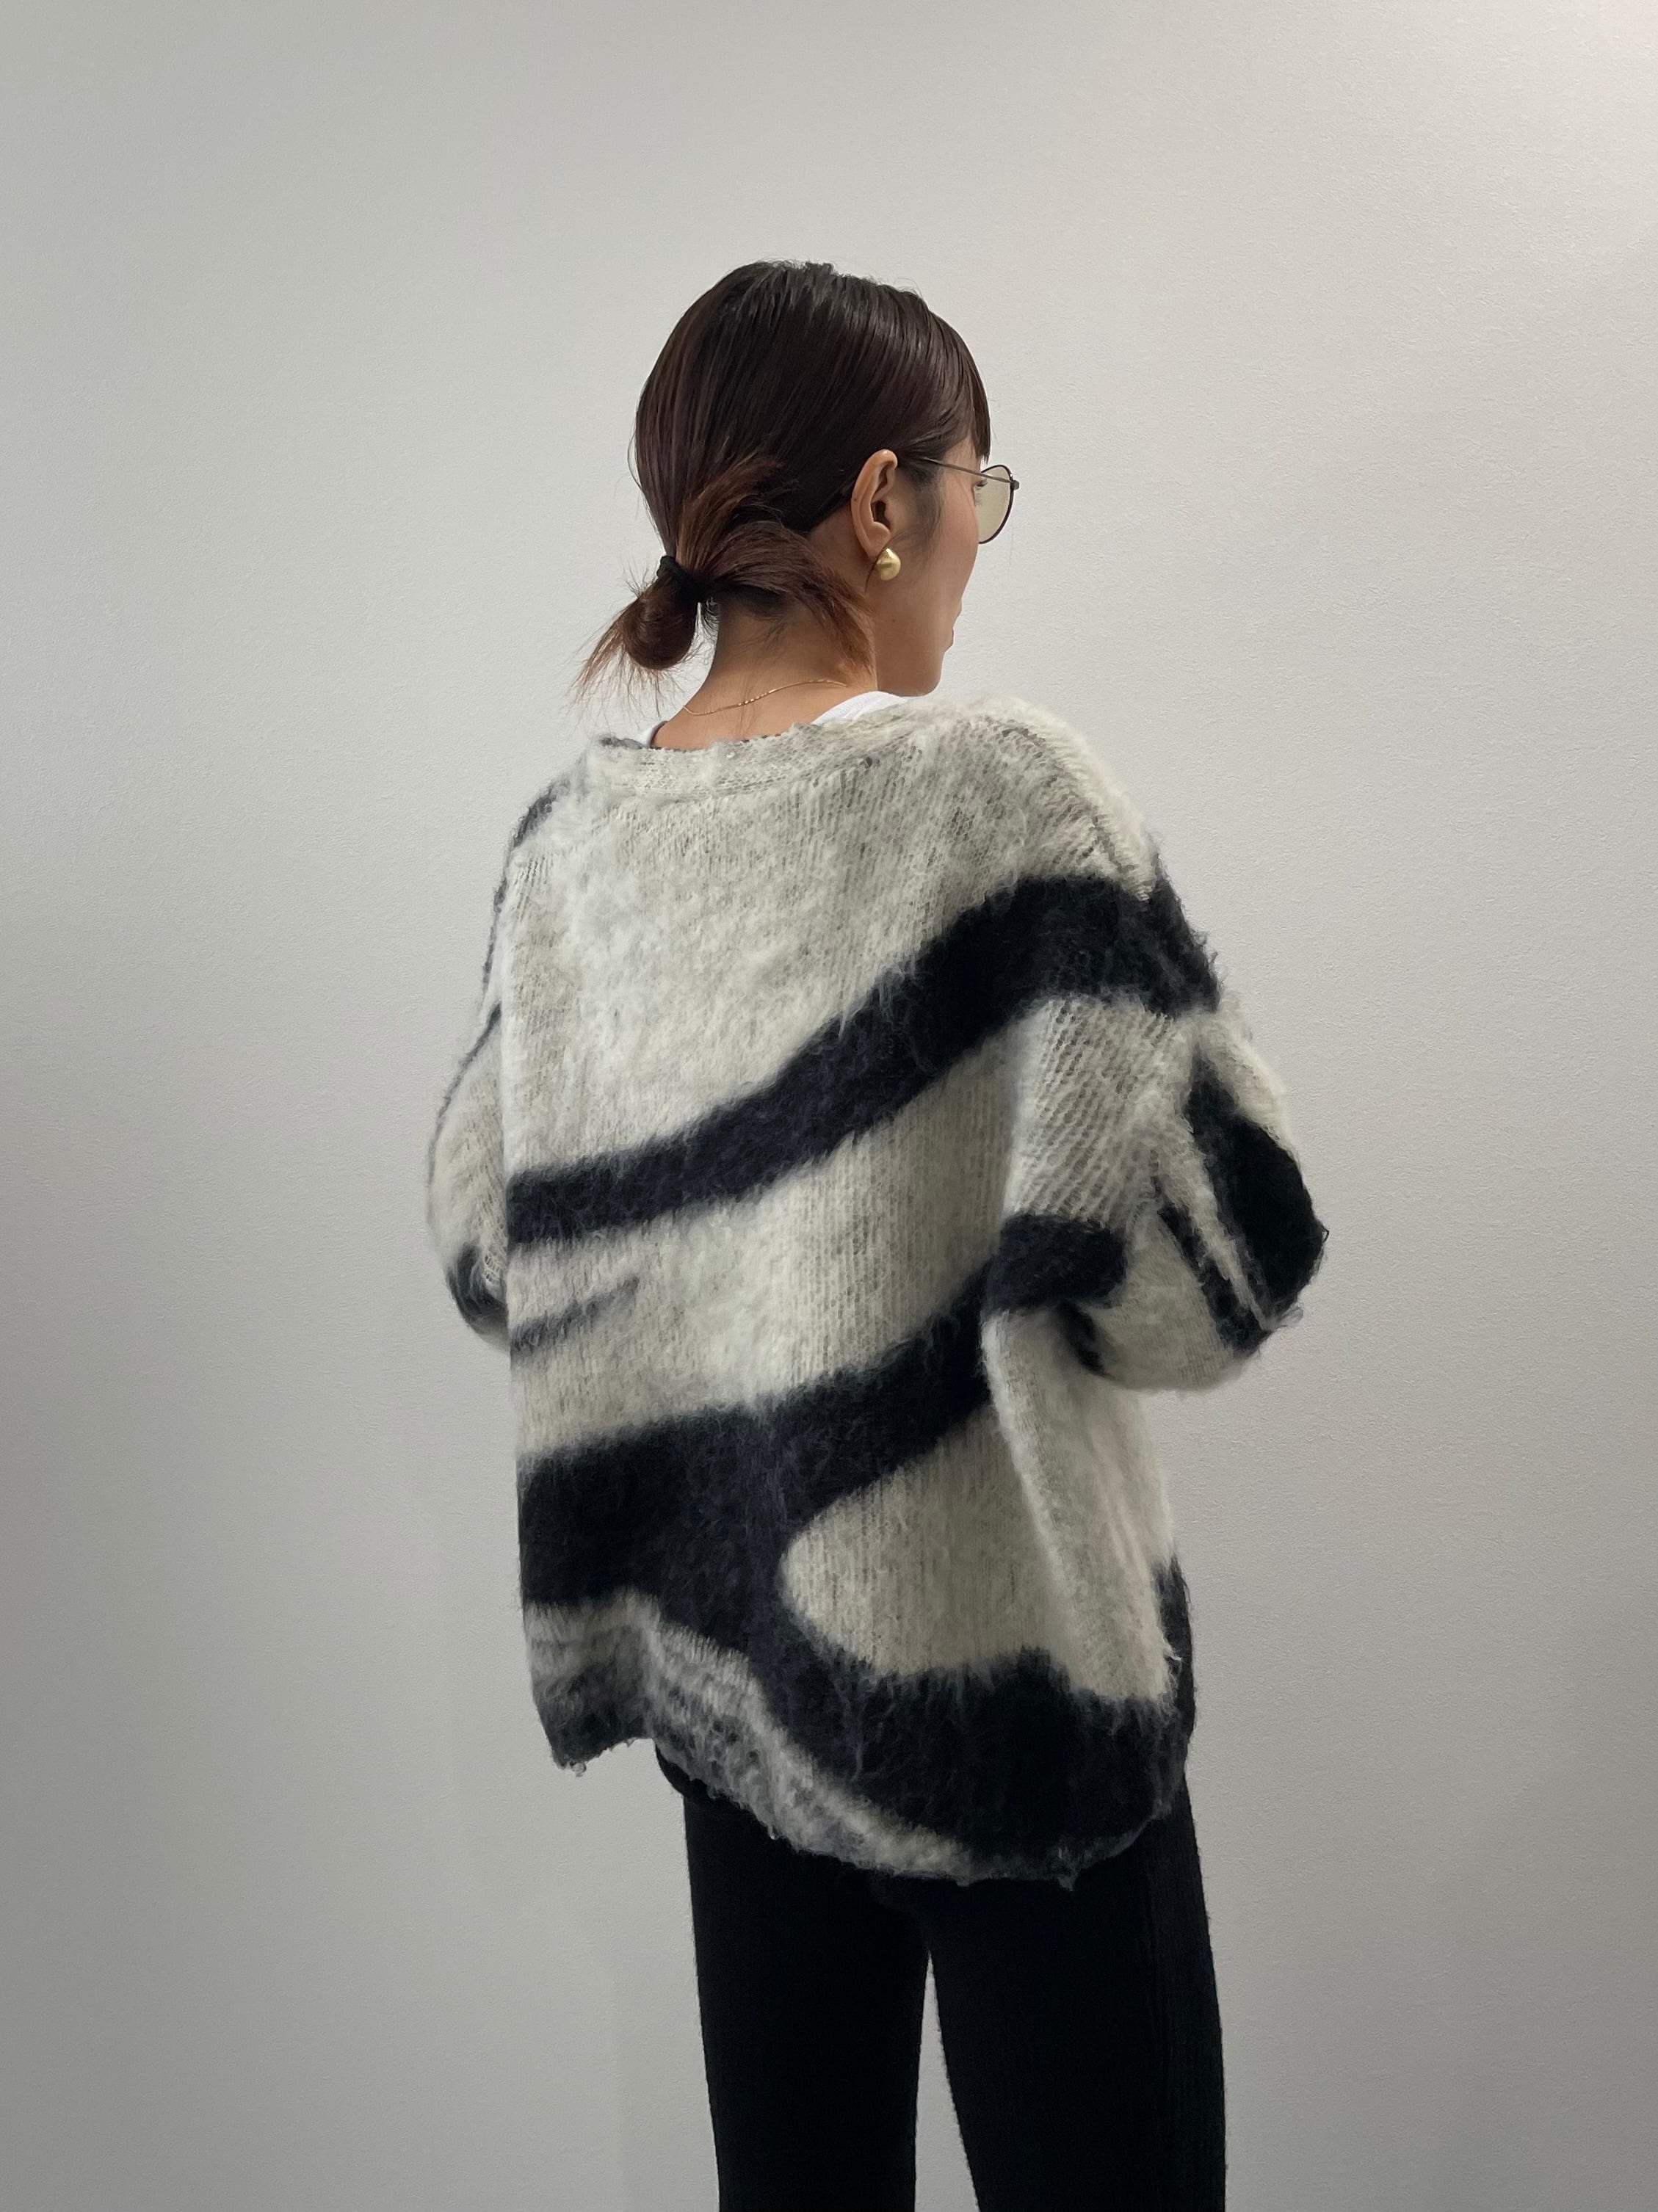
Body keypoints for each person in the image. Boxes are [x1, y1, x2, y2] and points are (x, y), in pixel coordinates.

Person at [425, 258, 1328, 2211]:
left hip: (737, 1683)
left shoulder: (572, 854)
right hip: (1013, 1712)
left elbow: (498, 1246)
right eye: (975, 487)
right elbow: (1222, 1271)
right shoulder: (1009, 798)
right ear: (878, 503)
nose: (978, 536)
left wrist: (735, 1288)